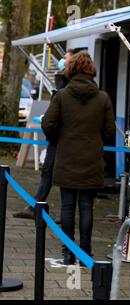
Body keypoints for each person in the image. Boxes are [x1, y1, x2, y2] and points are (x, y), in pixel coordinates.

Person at [42, 51, 115, 265]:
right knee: (86, 207)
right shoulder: (102, 98)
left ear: (71, 70)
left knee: (66, 207)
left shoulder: (62, 96)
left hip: (66, 158)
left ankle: (67, 252)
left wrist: (59, 138)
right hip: (92, 159)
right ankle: (85, 252)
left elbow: (47, 124)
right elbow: (110, 130)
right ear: (91, 70)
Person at [13, 49, 75, 222]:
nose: (62, 61)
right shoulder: (66, 83)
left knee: (56, 174)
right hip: (61, 138)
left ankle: (53, 210)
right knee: (49, 172)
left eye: (66, 59)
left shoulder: (67, 85)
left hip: (61, 138)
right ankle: (37, 205)